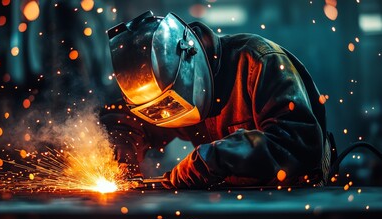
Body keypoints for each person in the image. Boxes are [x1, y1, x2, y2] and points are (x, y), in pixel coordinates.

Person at [100, 10, 336, 189]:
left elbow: (297, 144)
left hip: (296, 197)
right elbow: (127, 121)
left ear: (191, 61)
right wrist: (122, 149)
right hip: (236, 202)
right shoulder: (177, 87)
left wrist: (211, 159)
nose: (167, 112)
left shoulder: (259, 61)